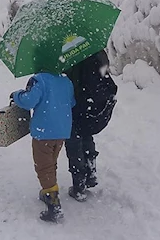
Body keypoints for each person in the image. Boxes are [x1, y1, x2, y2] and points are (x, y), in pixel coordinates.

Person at [11, 71, 75, 223]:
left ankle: (53, 203)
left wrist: (16, 95)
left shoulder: (39, 80)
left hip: (44, 131)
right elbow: (71, 102)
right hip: (62, 130)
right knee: (51, 162)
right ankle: (48, 189)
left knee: (43, 166)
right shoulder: (66, 80)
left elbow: (29, 101)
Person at [65, 50, 118, 202]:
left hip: (78, 103)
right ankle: (91, 172)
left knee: (73, 142)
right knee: (86, 134)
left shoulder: (69, 53)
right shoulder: (94, 48)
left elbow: (70, 81)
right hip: (94, 104)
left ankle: (79, 185)